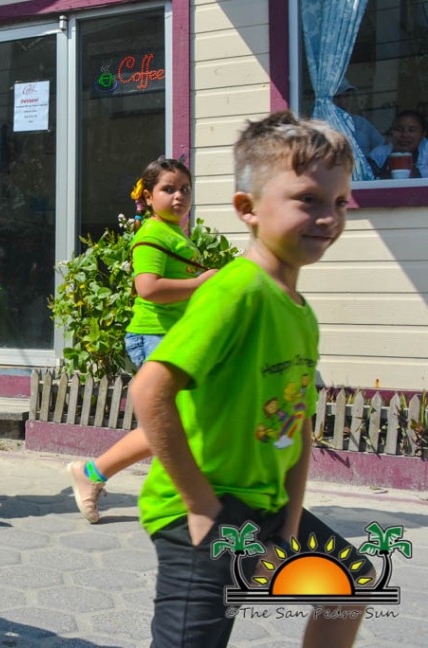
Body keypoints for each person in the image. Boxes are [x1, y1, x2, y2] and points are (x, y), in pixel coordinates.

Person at [131, 111, 372, 647]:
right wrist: (200, 505)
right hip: (202, 506)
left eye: (339, 203)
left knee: (348, 582)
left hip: (264, 503)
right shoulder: (236, 292)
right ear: (248, 209)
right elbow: (149, 391)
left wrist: (291, 521)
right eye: (307, 199)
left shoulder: (300, 311)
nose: (328, 217)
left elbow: (298, 423)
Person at [66, 158, 215, 523]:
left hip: (173, 336)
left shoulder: (175, 234)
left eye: (185, 189)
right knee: (170, 424)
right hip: (155, 336)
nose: (179, 196)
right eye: (168, 189)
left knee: (179, 422)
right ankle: (98, 475)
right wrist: (199, 284)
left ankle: (97, 475)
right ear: (148, 197)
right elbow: (147, 287)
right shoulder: (152, 234)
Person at [368, 110, 428, 179]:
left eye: (411, 130)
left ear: (423, 133)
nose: (405, 135)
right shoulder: (379, 155)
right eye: (399, 129)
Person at [332, 79, 385, 157]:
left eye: (346, 96)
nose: (342, 102)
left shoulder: (362, 123)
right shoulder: (326, 125)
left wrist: (373, 160)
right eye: (337, 97)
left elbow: (383, 145)